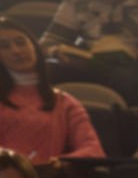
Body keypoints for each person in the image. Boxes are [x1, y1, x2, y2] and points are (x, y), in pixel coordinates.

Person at [0, 19, 104, 168]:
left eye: (21, 42)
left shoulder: (64, 102)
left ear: (34, 46)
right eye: (5, 47)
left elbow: (94, 151)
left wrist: (59, 163)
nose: (16, 51)